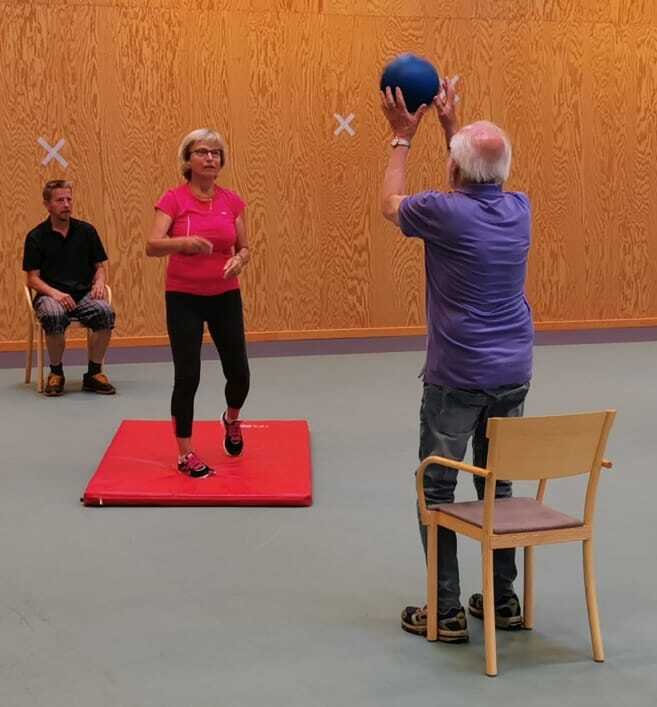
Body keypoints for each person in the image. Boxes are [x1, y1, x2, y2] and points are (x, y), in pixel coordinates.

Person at [380, 79, 534, 643]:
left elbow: (389, 205)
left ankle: (444, 611)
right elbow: (481, 174)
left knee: (438, 490)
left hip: (456, 378)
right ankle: (505, 600)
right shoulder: (519, 207)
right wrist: (455, 127)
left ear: (453, 170)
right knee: (499, 485)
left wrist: (402, 138)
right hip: (514, 371)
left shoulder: (441, 212)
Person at [146, 128, 250, 478]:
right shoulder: (173, 199)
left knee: (239, 373)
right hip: (184, 297)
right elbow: (152, 245)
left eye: (216, 153)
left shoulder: (232, 201)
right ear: (187, 160)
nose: (210, 158)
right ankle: (185, 452)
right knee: (187, 375)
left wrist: (240, 259)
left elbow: (244, 246)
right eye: (202, 152)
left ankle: (231, 420)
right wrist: (184, 243)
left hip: (224, 296)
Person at [23, 179, 116, 396]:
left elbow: (99, 266)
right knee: (53, 315)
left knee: (105, 312)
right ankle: (56, 373)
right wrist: (55, 293)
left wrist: (100, 282)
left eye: (69, 199)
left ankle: (94, 373)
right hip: (51, 295)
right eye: (60, 200)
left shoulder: (86, 231)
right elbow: (32, 279)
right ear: (47, 204)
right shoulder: (36, 237)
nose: (66, 204)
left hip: (83, 294)